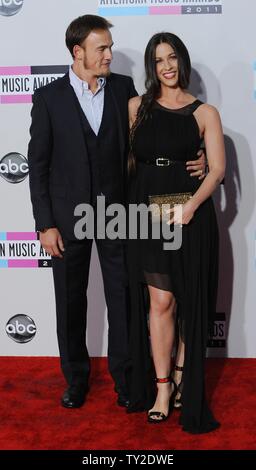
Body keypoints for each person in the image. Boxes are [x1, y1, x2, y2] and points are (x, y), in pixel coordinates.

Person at [27, 15, 206, 410]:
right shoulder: (49, 98)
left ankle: (128, 382)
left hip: (119, 217)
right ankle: (75, 380)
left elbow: (161, 132)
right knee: (70, 303)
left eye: (109, 46)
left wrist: (201, 156)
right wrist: (45, 224)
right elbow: (37, 167)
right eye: (102, 48)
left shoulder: (124, 90)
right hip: (67, 220)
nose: (110, 54)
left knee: (124, 301)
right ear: (78, 52)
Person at [127, 32, 225, 433]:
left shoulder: (205, 113)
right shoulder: (137, 106)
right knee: (161, 302)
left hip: (190, 214)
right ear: (152, 67)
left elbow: (217, 169)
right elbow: (127, 160)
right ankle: (163, 388)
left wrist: (189, 206)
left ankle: (184, 378)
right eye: (158, 60)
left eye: (171, 58)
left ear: (182, 61)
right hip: (147, 213)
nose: (166, 66)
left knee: (188, 300)